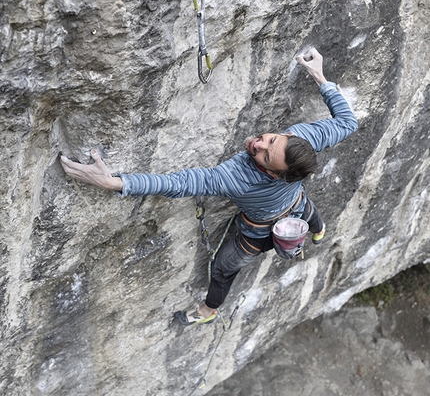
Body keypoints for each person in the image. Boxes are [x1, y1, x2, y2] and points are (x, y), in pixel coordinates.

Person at [61, 48, 358, 325]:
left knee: (222, 269)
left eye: (265, 155)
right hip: (296, 203)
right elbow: (347, 123)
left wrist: (114, 182)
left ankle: (208, 311)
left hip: (256, 232)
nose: (257, 143)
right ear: (288, 137)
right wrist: (319, 74)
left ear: (278, 174)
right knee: (307, 210)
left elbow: (177, 184)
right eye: (271, 139)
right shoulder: (304, 141)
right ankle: (318, 231)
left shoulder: (234, 178)